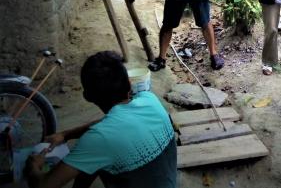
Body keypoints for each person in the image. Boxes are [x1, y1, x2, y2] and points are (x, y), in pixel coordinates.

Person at [25, 51, 177, 188]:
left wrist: (34, 167)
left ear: (87, 97)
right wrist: (66, 135)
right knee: (94, 155)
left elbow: (42, 185)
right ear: (129, 84)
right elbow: (108, 125)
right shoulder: (149, 99)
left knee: (94, 152)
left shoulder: (98, 139)